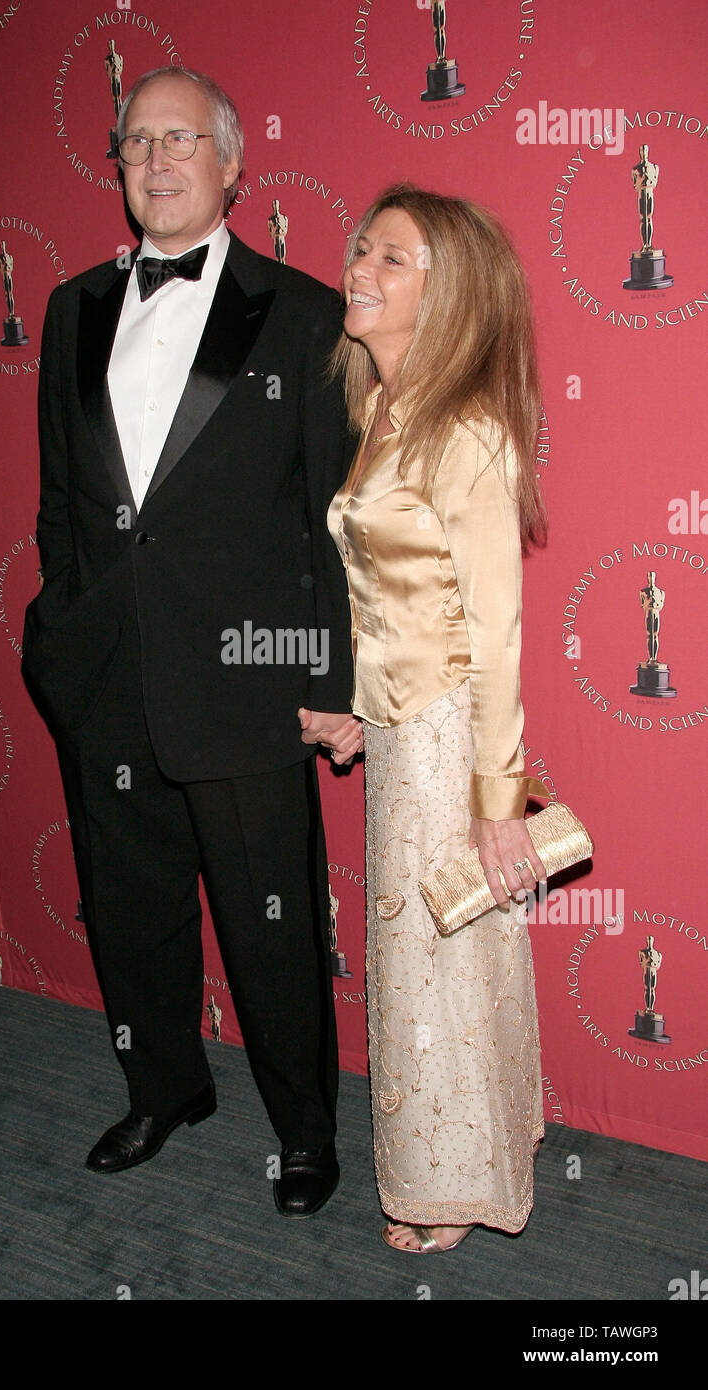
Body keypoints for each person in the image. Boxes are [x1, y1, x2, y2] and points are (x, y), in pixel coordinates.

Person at [21, 66, 362, 1217]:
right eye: (133, 142)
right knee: (130, 902)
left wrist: (330, 681)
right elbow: (62, 498)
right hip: (107, 667)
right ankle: (164, 1086)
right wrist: (60, 628)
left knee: (270, 919)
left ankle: (305, 1128)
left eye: (179, 139)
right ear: (115, 167)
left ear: (230, 162)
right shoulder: (70, 307)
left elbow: (336, 521)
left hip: (251, 679)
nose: (155, 160)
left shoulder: (306, 311)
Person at [326, 183, 549, 1252]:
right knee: (432, 958)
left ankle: (452, 1183)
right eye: (361, 248)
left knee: (439, 960)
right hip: (402, 733)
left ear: (446, 294)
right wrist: (362, 714)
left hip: (452, 742)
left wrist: (498, 803)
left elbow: (496, 632)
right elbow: (403, 600)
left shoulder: (465, 431)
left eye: (393, 259)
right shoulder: (379, 411)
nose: (358, 269)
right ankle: (467, 1152)